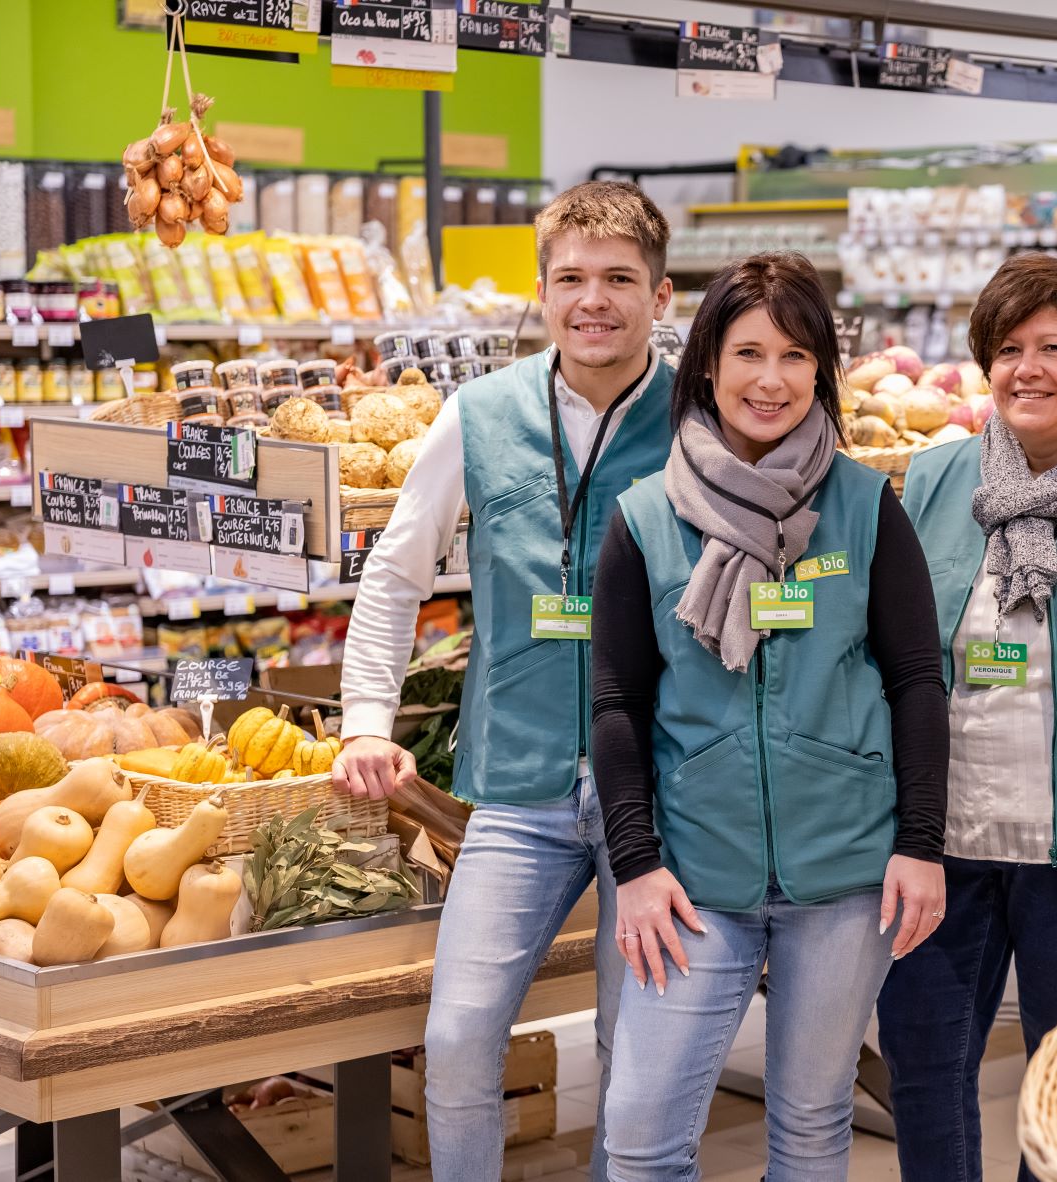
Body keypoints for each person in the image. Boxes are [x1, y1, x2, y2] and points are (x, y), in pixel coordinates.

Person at [334, 181, 677, 1181]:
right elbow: (395, 573)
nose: (593, 300)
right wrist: (365, 720)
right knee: (456, 1034)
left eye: (619, 278)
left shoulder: (702, 413)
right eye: (570, 278)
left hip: (658, 791)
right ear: (541, 290)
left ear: (659, 296)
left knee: (634, 1049)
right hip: (518, 784)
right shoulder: (478, 416)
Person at [589, 251, 949, 1180]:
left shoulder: (866, 506)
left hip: (845, 874)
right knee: (637, 1135)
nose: (772, 380)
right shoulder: (645, 517)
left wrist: (920, 842)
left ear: (821, 371)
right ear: (706, 363)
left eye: (796, 356)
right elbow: (619, 702)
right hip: (694, 881)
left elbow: (915, 679)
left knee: (810, 1118)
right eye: (749, 353)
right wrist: (635, 865)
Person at [877, 253, 1057, 1182]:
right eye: (1007, 348)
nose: (1026, 368)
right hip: (942, 845)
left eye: (1052, 347)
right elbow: (899, 661)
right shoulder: (934, 480)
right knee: (922, 1066)